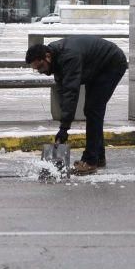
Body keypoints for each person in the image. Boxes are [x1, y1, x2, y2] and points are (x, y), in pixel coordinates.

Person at [26, 36, 127, 175]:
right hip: (96, 67)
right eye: (36, 69)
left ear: (47, 56)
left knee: (93, 110)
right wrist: (64, 126)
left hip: (111, 64)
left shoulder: (68, 57)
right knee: (92, 110)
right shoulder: (55, 58)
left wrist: (64, 128)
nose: (40, 71)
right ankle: (98, 157)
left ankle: (91, 161)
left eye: (40, 66)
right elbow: (64, 91)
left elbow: (71, 92)